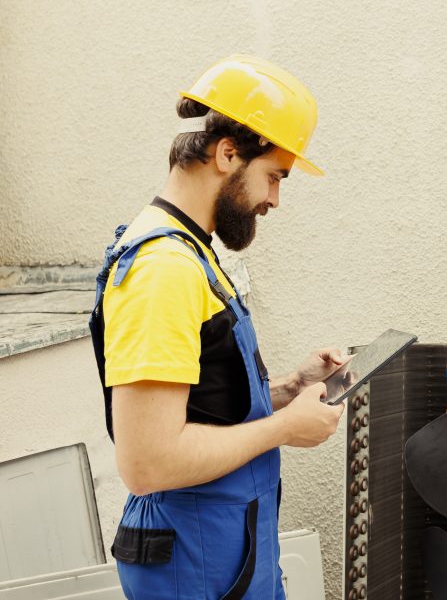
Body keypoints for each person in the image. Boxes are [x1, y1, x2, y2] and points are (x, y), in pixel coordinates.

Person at [89, 55, 354, 599]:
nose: (275, 200)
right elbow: (147, 463)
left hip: (223, 551)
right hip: (195, 560)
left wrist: (286, 389)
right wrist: (286, 429)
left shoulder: (190, 251)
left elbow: (198, 401)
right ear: (227, 154)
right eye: (275, 176)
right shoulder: (163, 270)